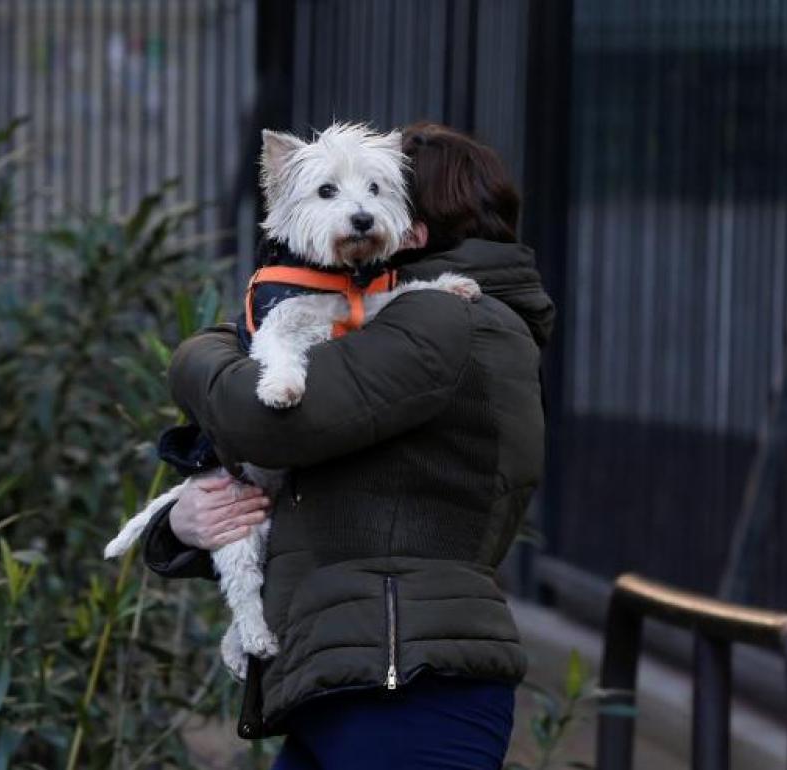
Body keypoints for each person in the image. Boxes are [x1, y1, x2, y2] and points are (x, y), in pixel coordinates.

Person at [139, 122, 554, 769]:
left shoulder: (443, 320)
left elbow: (264, 421)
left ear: (416, 224)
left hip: (405, 685)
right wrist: (183, 524)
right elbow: (335, 495)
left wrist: (196, 352)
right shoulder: (437, 321)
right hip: (360, 672)